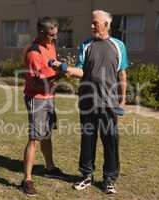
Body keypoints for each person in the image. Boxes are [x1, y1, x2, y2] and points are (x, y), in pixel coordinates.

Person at [50, 10, 129, 194]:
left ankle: (109, 179)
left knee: (110, 142)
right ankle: (86, 175)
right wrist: (64, 67)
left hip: (109, 104)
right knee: (88, 140)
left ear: (106, 24)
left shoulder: (118, 46)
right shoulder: (86, 45)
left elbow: (122, 74)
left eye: (95, 23)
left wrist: (123, 100)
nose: (92, 26)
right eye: (92, 23)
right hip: (87, 102)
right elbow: (81, 71)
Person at [21, 17, 67, 197]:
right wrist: (60, 76)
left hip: (49, 96)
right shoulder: (34, 53)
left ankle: (50, 167)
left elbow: (51, 67)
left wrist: (58, 70)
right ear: (41, 33)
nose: (54, 38)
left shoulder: (50, 45)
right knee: (35, 138)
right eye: (50, 36)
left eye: (56, 35)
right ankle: (27, 180)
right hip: (37, 97)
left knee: (47, 134)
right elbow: (36, 84)